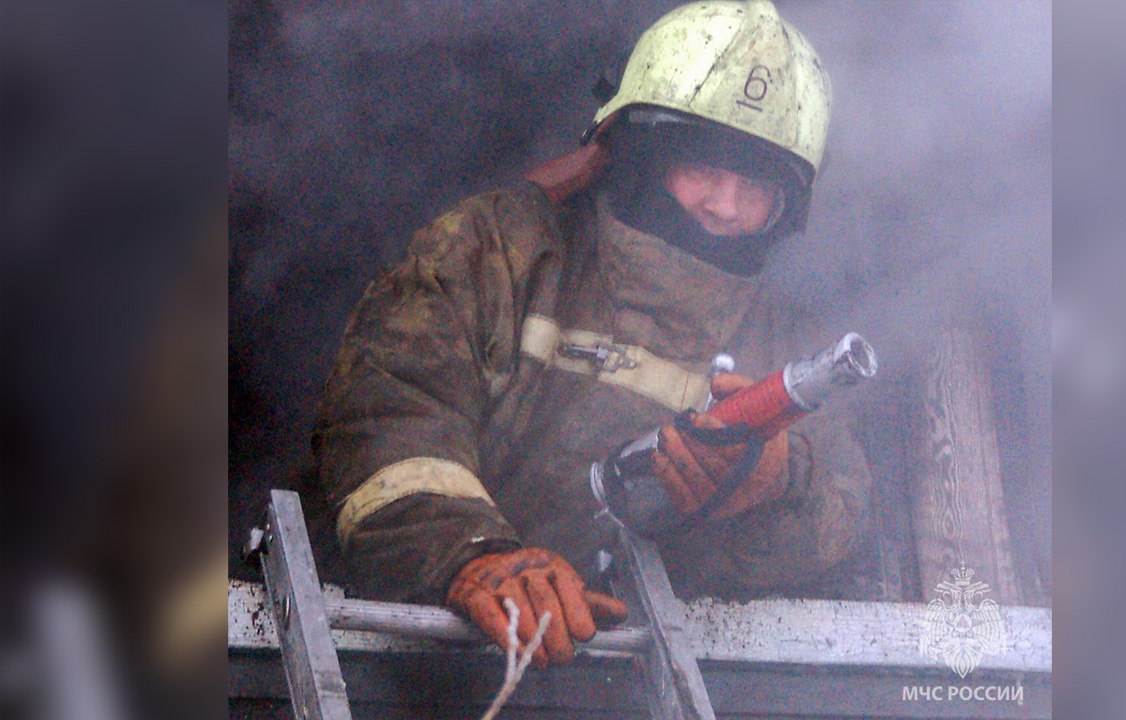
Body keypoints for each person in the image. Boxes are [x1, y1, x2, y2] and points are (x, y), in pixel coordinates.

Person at [313, 0, 873, 668]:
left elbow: (839, 524)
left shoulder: (787, 343)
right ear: (636, 153)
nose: (725, 207)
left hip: (621, 684)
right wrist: (473, 556)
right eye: (703, 169)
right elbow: (387, 413)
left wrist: (782, 483)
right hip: (398, 653)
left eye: (756, 186)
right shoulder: (502, 249)